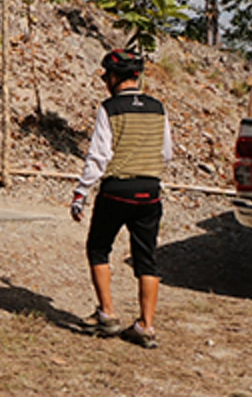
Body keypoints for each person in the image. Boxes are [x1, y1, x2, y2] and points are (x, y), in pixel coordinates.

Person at [71, 49, 172, 350]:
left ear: (115, 77)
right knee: (147, 259)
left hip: (116, 190)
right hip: (150, 193)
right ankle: (146, 326)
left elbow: (99, 156)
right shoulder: (158, 107)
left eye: (106, 76)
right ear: (137, 76)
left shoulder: (109, 108)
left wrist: (81, 191)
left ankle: (107, 315)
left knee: (99, 248)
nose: (105, 81)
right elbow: (167, 153)